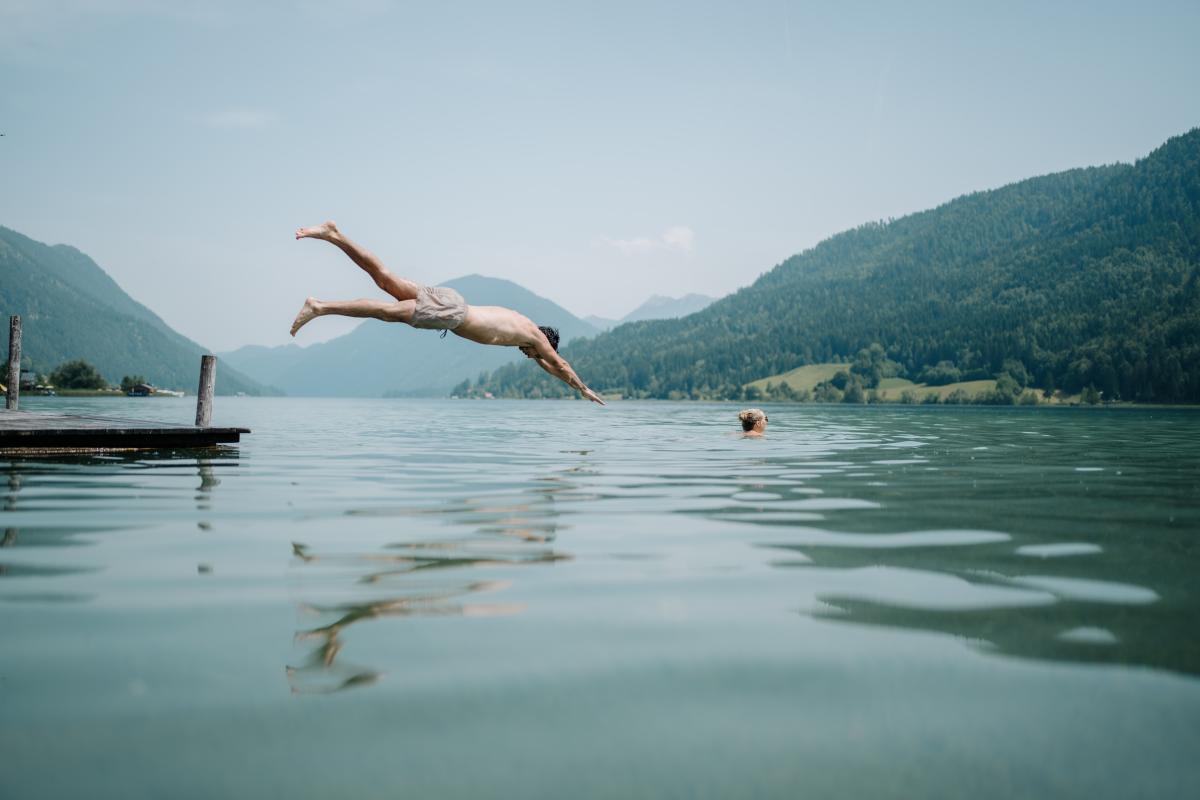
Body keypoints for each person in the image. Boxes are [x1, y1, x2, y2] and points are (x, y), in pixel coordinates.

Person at [290, 221, 605, 404]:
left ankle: (335, 234)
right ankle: (320, 306)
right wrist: (583, 389)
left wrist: (561, 374)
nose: (529, 356)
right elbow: (558, 364)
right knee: (387, 312)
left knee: (385, 280)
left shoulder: (523, 324)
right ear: (546, 343)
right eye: (535, 354)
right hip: (453, 314)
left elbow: (548, 365)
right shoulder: (535, 337)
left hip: (453, 301)